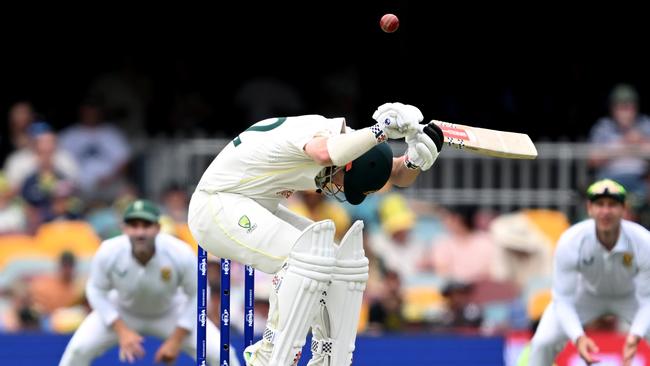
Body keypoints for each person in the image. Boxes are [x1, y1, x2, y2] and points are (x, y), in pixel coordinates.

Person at [188, 102, 444, 365]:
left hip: (255, 203)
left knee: (338, 260)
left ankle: (328, 356)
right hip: (217, 206)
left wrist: (416, 160)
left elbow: (394, 173)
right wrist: (382, 130)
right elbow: (325, 154)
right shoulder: (317, 132)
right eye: (345, 183)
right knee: (306, 255)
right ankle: (267, 353)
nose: (337, 188)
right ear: (347, 166)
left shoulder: (355, 148)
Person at [59, 199, 238, 366]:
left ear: (158, 228)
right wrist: (121, 330)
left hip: (171, 312)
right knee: (77, 351)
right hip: (123, 311)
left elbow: (199, 294)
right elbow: (96, 290)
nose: (140, 232)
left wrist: (176, 340)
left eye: (146, 225)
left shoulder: (179, 252)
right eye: (134, 226)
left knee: (222, 354)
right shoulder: (109, 251)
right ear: (124, 228)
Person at [529, 179, 650, 366]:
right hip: (585, 296)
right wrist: (578, 337)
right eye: (599, 204)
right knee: (542, 343)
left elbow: (647, 299)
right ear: (589, 208)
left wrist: (635, 335)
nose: (605, 211)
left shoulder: (643, 241)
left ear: (624, 208)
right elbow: (562, 299)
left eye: (612, 205)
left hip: (630, 297)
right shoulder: (571, 240)